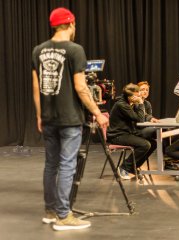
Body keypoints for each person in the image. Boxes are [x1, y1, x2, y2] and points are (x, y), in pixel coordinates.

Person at [32, 7, 109, 231]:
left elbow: (36, 86)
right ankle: (63, 216)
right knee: (67, 165)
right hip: (69, 119)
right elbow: (81, 87)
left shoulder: (38, 50)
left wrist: (39, 114)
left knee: (51, 165)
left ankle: (50, 211)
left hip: (48, 118)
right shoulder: (75, 50)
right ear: (71, 24)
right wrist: (97, 113)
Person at [106, 83, 157, 180]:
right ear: (130, 96)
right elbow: (140, 119)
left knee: (153, 143)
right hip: (117, 135)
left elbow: (141, 116)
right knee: (145, 144)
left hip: (127, 132)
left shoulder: (129, 103)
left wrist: (148, 116)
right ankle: (123, 167)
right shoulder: (122, 105)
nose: (139, 97)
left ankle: (132, 167)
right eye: (137, 95)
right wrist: (140, 103)